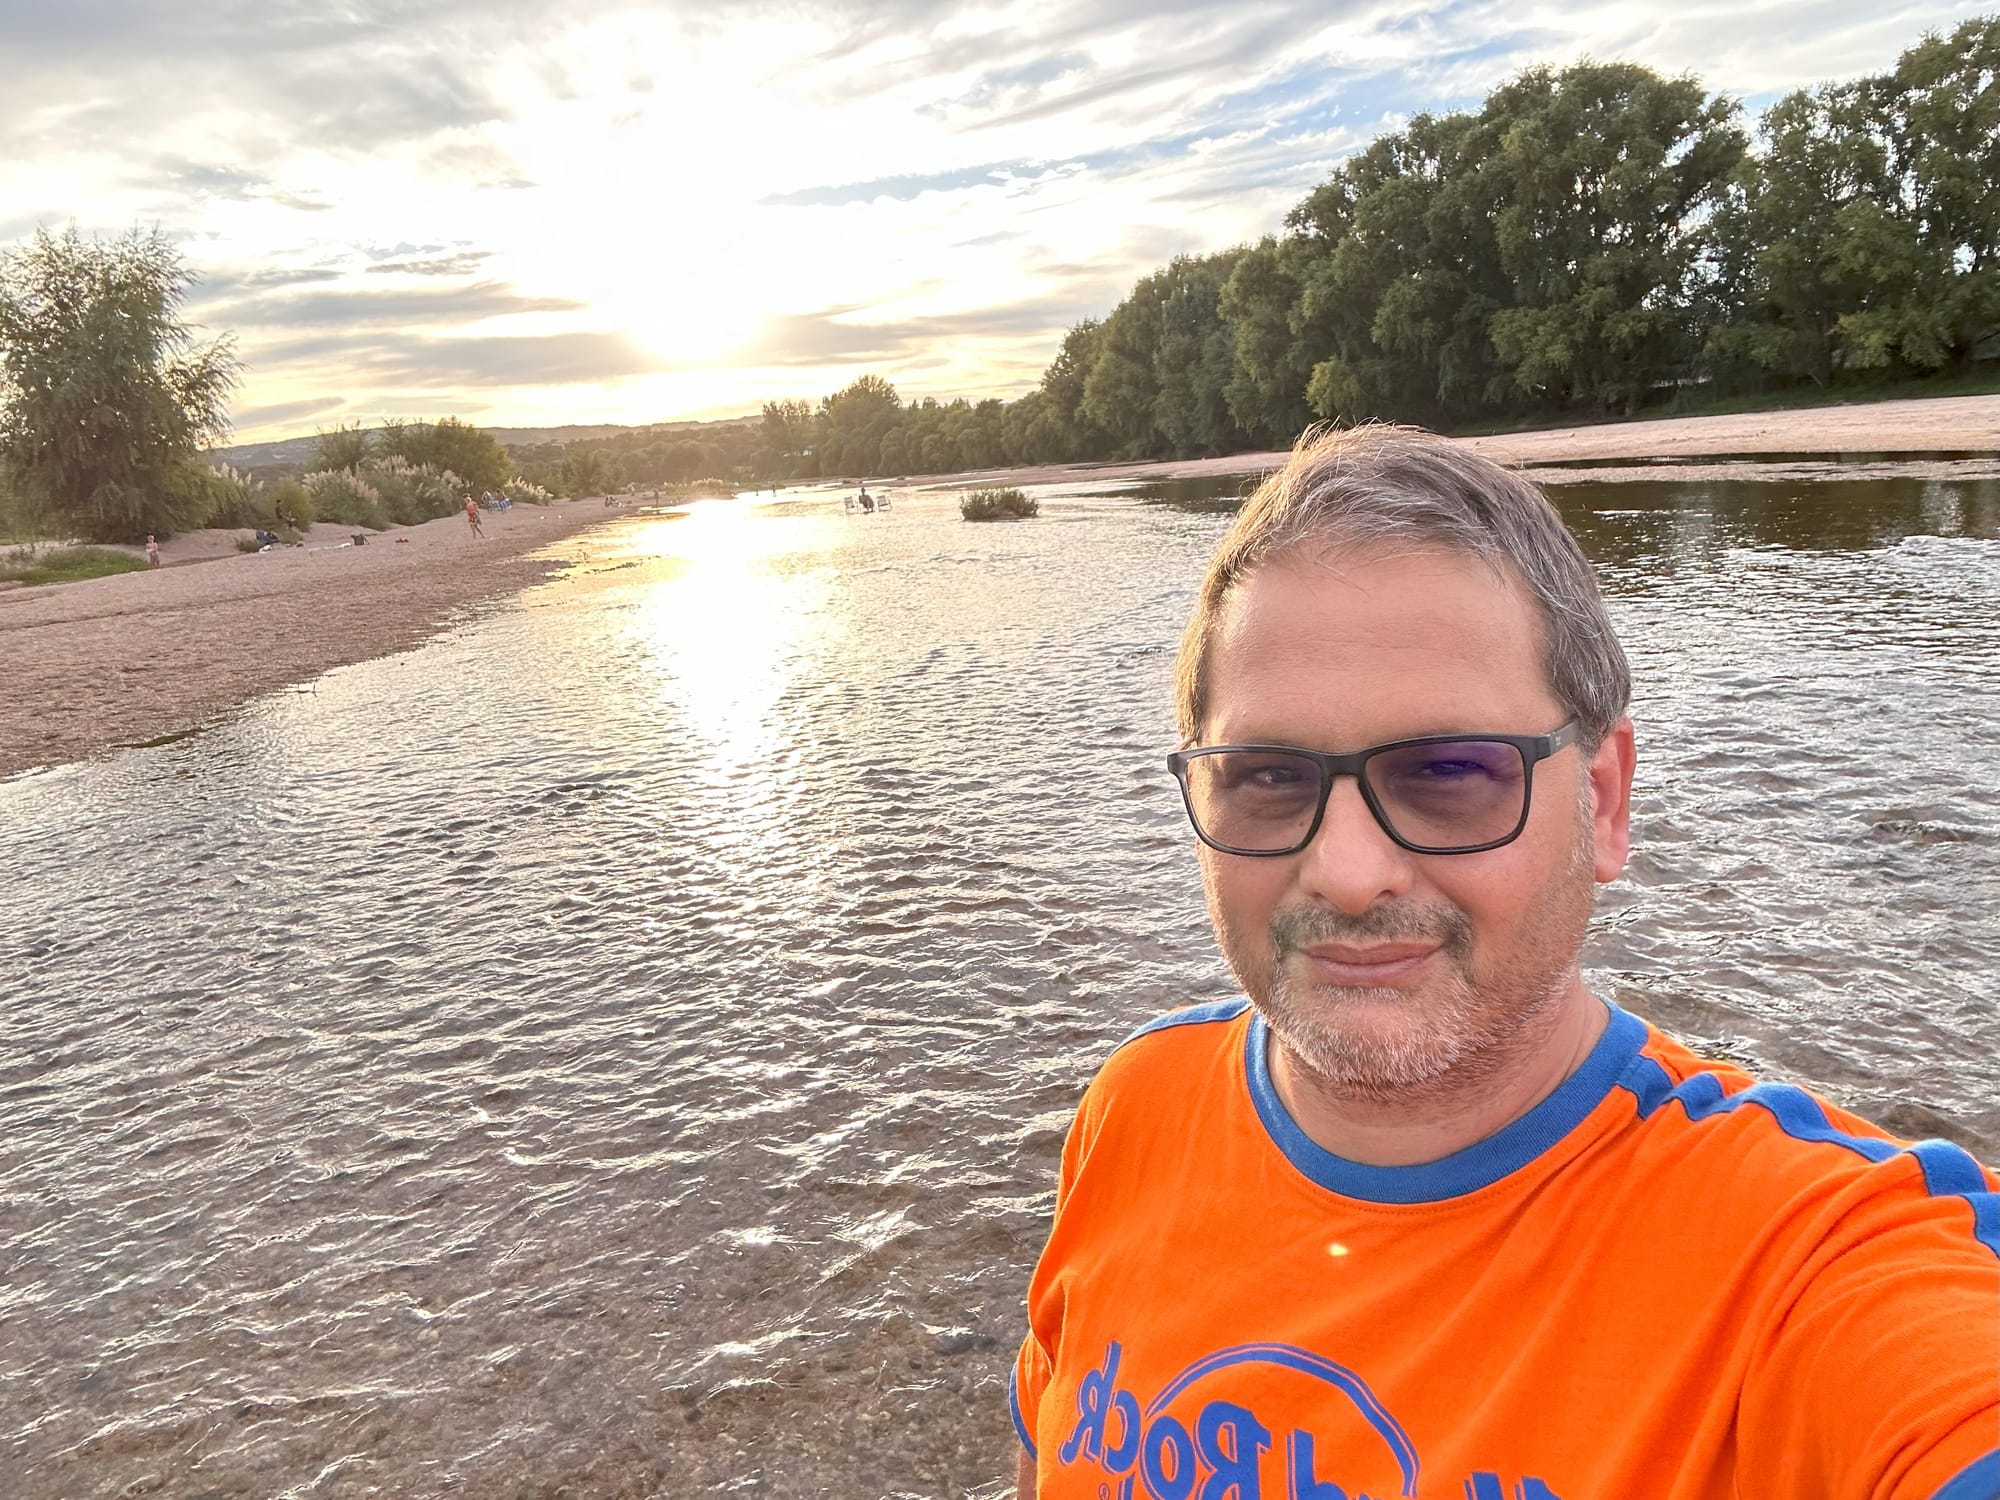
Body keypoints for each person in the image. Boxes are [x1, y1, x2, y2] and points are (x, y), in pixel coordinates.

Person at [1011, 425, 1997, 1500]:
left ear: (1603, 802)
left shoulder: (1803, 1260)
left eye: (1450, 770)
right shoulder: (1136, 1104)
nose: (1344, 871)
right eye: (1265, 776)